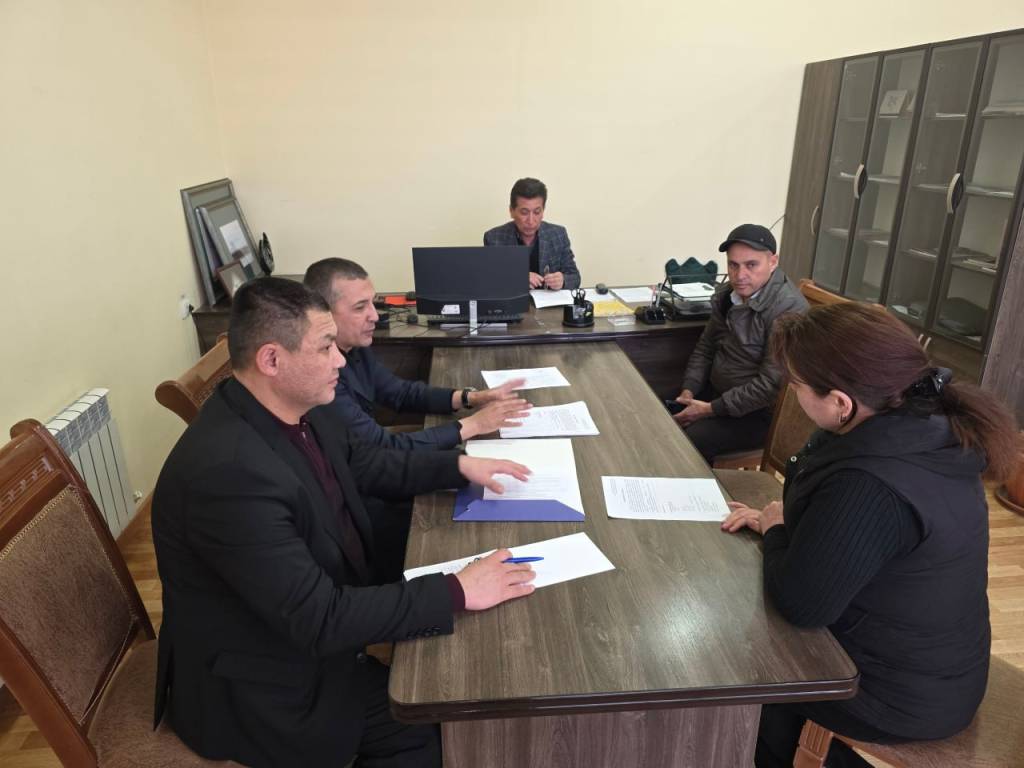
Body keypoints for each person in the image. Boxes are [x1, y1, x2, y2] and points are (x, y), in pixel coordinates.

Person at [152, 277, 537, 768]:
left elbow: (371, 465)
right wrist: (457, 591)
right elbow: (319, 619)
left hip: (309, 615)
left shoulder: (299, 405)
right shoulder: (229, 475)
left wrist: (460, 466)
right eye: (325, 347)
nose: (340, 360)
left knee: (463, 626)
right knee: (436, 729)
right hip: (266, 687)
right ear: (272, 360)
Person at [720, 303, 1019, 768]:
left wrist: (777, 529)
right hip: (939, 668)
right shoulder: (918, 427)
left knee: (735, 684)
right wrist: (781, 525)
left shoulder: (871, 482)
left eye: (796, 385)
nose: (791, 392)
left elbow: (803, 605)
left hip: (899, 695)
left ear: (841, 403)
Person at [303, 257, 532, 451]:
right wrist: (474, 425)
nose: (375, 316)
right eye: (360, 307)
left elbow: (400, 393)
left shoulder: (355, 346)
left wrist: (470, 398)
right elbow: (382, 446)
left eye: (373, 303)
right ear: (322, 313)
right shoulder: (320, 377)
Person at [673, 223, 808, 463]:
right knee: (660, 411)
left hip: (758, 413)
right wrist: (689, 389)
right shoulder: (727, 295)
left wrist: (710, 409)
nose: (739, 275)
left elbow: (769, 386)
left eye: (751, 265)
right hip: (719, 395)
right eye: (733, 265)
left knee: (689, 441)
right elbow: (706, 348)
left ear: (773, 262)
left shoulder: (788, 308)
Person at [483, 177, 581, 290]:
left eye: (537, 212)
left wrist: (563, 280)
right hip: (514, 300)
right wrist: (518, 278)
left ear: (543, 211)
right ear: (511, 211)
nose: (530, 221)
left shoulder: (558, 234)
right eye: (524, 212)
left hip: (548, 301)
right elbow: (489, 281)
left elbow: (575, 277)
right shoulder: (494, 238)